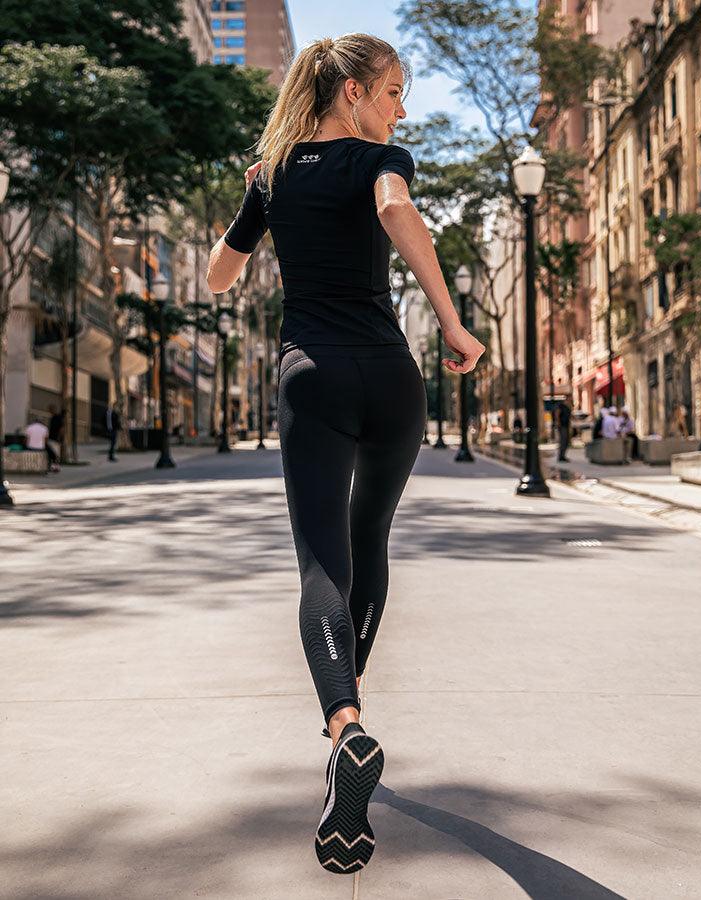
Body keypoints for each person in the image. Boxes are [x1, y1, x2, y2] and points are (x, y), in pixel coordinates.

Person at [207, 33, 484, 875]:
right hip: (393, 381)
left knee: (322, 565)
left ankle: (346, 726)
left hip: (314, 380)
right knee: (371, 546)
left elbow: (218, 277)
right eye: (394, 91)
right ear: (354, 93)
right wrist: (450, 319)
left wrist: (255, 200)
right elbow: (398, 208)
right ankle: (344, 720)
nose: (402, 107)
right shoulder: (380, 159)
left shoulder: (275, 172)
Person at [555, 398, 571, 462]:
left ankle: (563, 455)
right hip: (562, 426)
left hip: (566, 425)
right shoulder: (561, 406)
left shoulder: (567, 407)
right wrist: (558, 423)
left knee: (566, 441)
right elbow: (557, 414)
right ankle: (561, 456)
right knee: (563, 441)